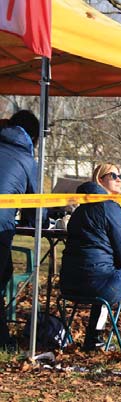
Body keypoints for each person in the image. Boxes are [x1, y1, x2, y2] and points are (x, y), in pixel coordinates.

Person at [60, 164, 121, 353]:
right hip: (97, 285)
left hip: (68, 284)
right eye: (114, 175)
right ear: (100, 180)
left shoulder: (79, 209)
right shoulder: (110, 207)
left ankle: (94, 339)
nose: (119, 179)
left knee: (105, 273)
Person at [0, 110, 41, 351]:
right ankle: (4, 342)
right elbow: (36, 206)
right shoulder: (26, 158)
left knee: (5, 273)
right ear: (33, 138)